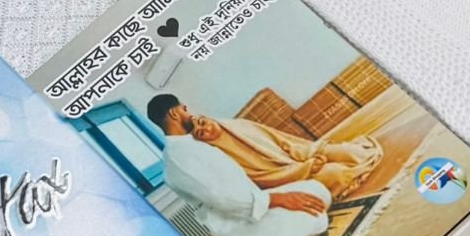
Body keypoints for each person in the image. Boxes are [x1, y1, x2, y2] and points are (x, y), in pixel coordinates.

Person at [146, 92, 334, 236]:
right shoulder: (178, 159)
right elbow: (220, 198)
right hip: (237, 219)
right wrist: (278, 199)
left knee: (318, 190)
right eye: (185, 109)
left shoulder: (191, 142)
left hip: (258, 203)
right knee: (317, 221)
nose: (190, 113)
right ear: (174, 113)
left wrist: (276, 196)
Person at [147, 94, 381, 199]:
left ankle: (343, 160)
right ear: (174, 113)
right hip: (291, 177)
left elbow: (283, 141)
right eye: (200, 133)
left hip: (302, 157)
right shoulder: (213, 154)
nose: (205, 129)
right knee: (335, 173)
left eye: (203, 122)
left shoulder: (236, 126)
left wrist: (312, 154)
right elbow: (262, 179)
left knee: (350, 152)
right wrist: (307, 168)